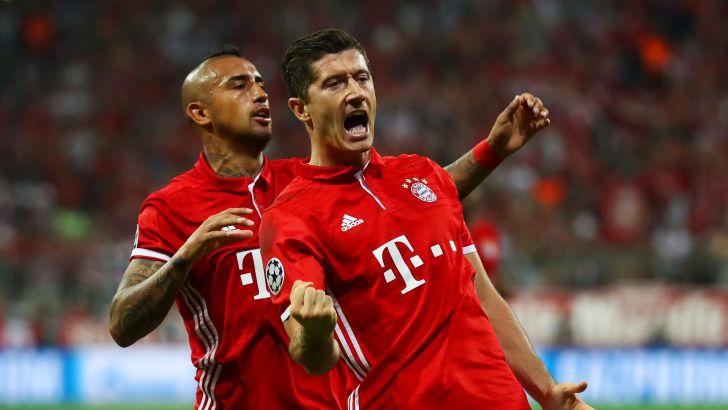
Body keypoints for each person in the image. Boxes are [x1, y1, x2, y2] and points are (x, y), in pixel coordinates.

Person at [107, 44, 544, 409]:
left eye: (260, 84)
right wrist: (185, 257)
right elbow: (122, 323)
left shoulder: (303, 186)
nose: (260, 94)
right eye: (240, 85)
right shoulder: (171, 208)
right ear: (200, 112)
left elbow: (418, 199)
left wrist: (490, 152)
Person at [261, 29, 593, 409]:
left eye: (362, 78)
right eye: (334, 83)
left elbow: (484, 297)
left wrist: (548, 391)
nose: (355, 92)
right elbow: (311, 357)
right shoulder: (291, 217)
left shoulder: (422, 174)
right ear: (301, 108)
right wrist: (316, 334)